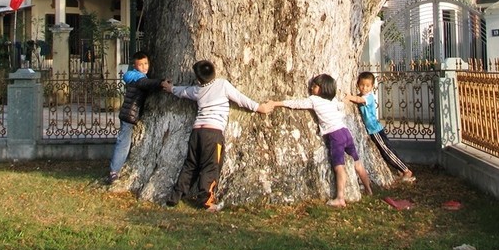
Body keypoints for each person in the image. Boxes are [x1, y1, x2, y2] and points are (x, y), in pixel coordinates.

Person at [163, 59, 274, 211]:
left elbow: (182, 91)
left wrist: (170, 88)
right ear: (214, 72)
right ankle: (206, 201)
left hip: (197, 132)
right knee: (210, 166)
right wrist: (259, 107)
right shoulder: (222, 85)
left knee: (190, 165)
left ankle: (174, 197)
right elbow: (241, 99)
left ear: (198, 79)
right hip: (213, 133)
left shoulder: (197, 90)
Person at [273, 73, 372, 207]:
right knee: (357, 162)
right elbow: (341, 106)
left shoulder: (314, 100)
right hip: (345, 131)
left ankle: (340, 197)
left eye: (314, 86)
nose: (311, 88)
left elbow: (297, 104)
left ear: (322, 88)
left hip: (335, 135)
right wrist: (346, 100)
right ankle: (368, 189)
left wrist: (278, 103)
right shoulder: (332, 100)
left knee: (339, 166)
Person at [108, 51, 170, 184]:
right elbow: (146, 84)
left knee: (124, 141)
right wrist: (160, 83)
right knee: (123, 143)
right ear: (135, 66)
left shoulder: (134, 76)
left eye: (146, 63)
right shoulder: (138, 78)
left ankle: (115, 168)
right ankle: (114, 171)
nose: (144, 67)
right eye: (140, 64)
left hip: (128, 113)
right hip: (129, 115)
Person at [345, 71, 415, 183]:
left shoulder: (369, 97)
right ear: (358, 84)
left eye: (368, 86)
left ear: (372, 87)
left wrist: (349, 97)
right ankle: (402, 170)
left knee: (387, 151)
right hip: (373, 129)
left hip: (375, 130)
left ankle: (406, 170)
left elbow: (359, 100)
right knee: (385, 151)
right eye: (362, 85)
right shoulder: (362, 95)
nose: (364, 88)